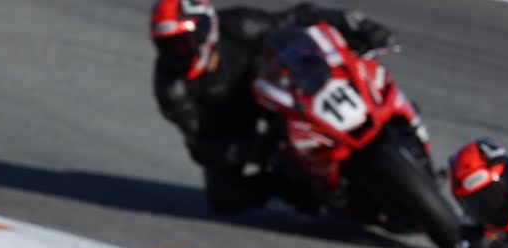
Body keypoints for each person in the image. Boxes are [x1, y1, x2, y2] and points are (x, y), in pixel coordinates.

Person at [149, 0, 394, 215]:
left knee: (348, 66)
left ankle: (394, 120)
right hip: (238, 126)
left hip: (284, 89)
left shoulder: (239, 25)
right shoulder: (172, 89)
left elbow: (297, 17)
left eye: (183, 42)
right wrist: (252, 149)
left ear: (204, 29)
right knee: (224, 196)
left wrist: (354, 23)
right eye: (168, 45)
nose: (177, 52)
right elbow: (201, 144)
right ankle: (305, 192)